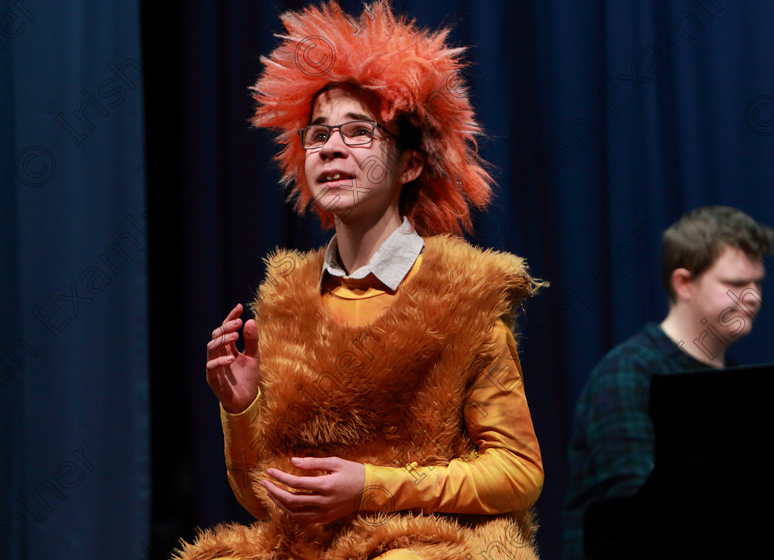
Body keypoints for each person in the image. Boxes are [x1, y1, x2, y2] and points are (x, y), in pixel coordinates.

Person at [172, 2, 545, 560]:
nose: (332, 148)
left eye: (358, 132)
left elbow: (518, 472)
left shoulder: (462, 294)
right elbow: (267, 500)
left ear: (410, 165)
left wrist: (370, 489)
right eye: (318, 135)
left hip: (431, 541)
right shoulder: (288, 302)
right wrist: (242, 408)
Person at [562, 205, 773, 560]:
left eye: (757, 283)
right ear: (684, 283)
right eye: (736, 284)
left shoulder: (735, 380)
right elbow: (638, 516)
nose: (753, 297)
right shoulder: (628, 374)